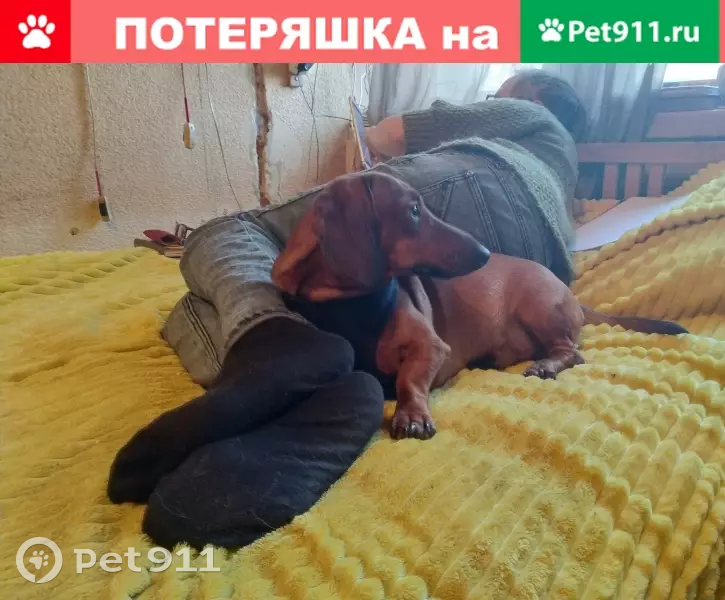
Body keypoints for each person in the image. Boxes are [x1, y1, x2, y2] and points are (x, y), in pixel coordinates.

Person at [106, 68, 588, 549]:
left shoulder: (527, 117)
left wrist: (379, 135)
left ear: (533, 102)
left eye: (501, 94)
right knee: (196, 305)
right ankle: (321, 383)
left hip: (485, 190)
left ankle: (265, 341)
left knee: (226, 233)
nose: (494, 97)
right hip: (523, 252)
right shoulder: (565, 184)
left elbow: (393, 133)